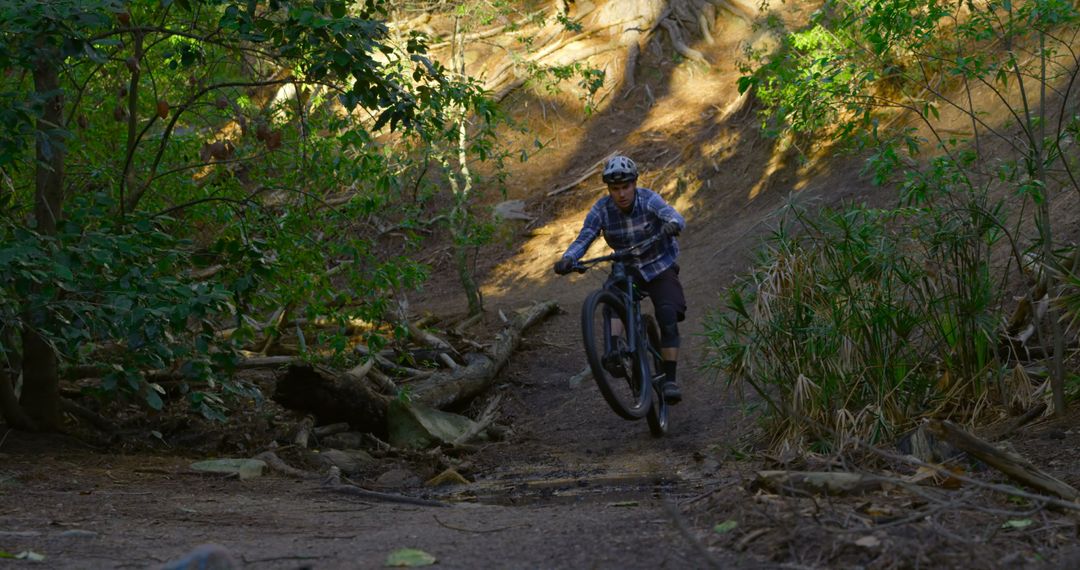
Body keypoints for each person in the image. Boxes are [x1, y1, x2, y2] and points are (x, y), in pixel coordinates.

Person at [553, 154, 687, 404]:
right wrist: (568, 259)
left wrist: (671, 226)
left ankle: (669, 380)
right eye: (615, 189)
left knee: (667, 317)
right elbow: (585, 237)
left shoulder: (648, 199)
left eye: (626, 187)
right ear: (609, 190)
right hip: (626, 268)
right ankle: (614, 351)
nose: (621, 193)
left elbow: (675, 216)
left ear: (634, 184)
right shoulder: (601, 209)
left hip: (658, 265)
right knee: (613, 297)